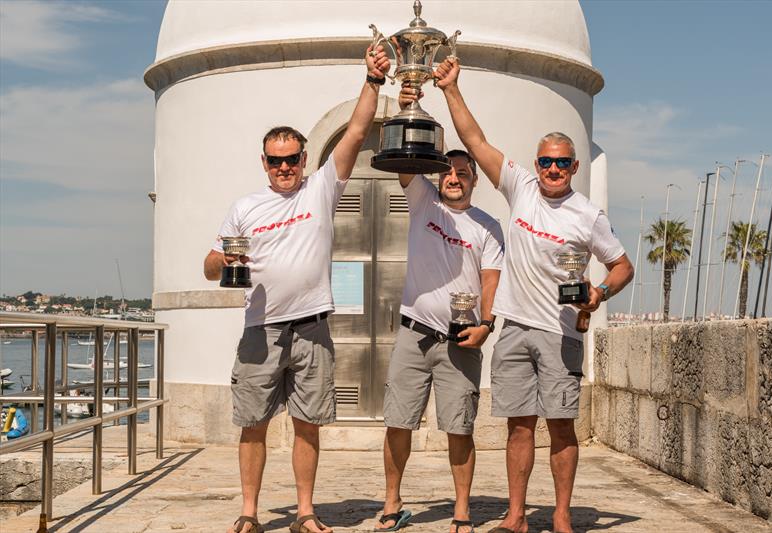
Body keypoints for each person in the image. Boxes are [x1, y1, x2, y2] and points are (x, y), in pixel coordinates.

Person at [433, 58, 634, 533]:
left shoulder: (588, 215)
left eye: (562, 162)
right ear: (537, 162)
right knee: (518, 426)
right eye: (546, 161)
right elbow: (476, 142)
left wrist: (598, 293)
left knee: (561, 427)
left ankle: (562, 516)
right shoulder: (520, 185)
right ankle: (517, 516)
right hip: (514, 328)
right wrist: (451, 89)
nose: (552, 169)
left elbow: (623, 265)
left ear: (575, 166)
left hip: (559, 331)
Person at [203, 46, 391, 533]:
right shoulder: (244, 207)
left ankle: (306, 512)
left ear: (305, 158)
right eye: (274, 161)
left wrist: (371, 81)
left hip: (312, 325)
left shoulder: (321, 188)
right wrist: (225, 257)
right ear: (263, 161)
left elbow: (353, 133)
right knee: (253, 424)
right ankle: (249, 511)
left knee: (308, 424)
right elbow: (208, 266)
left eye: (291, 159)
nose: (283, 168)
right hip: (259, 329)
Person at [375, 87, 505, 533]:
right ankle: (392, 503)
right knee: (398, 422)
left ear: (475, 180)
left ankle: (463, 510)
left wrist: (487, 325)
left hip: (461, 339)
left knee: (460, 428)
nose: (454, 177)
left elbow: (492, 280)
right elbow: (406, 159)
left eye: (464, 172)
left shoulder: (488, 226)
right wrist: (404, 104)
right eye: (448, 170)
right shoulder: (423, 200)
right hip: (413, 333)